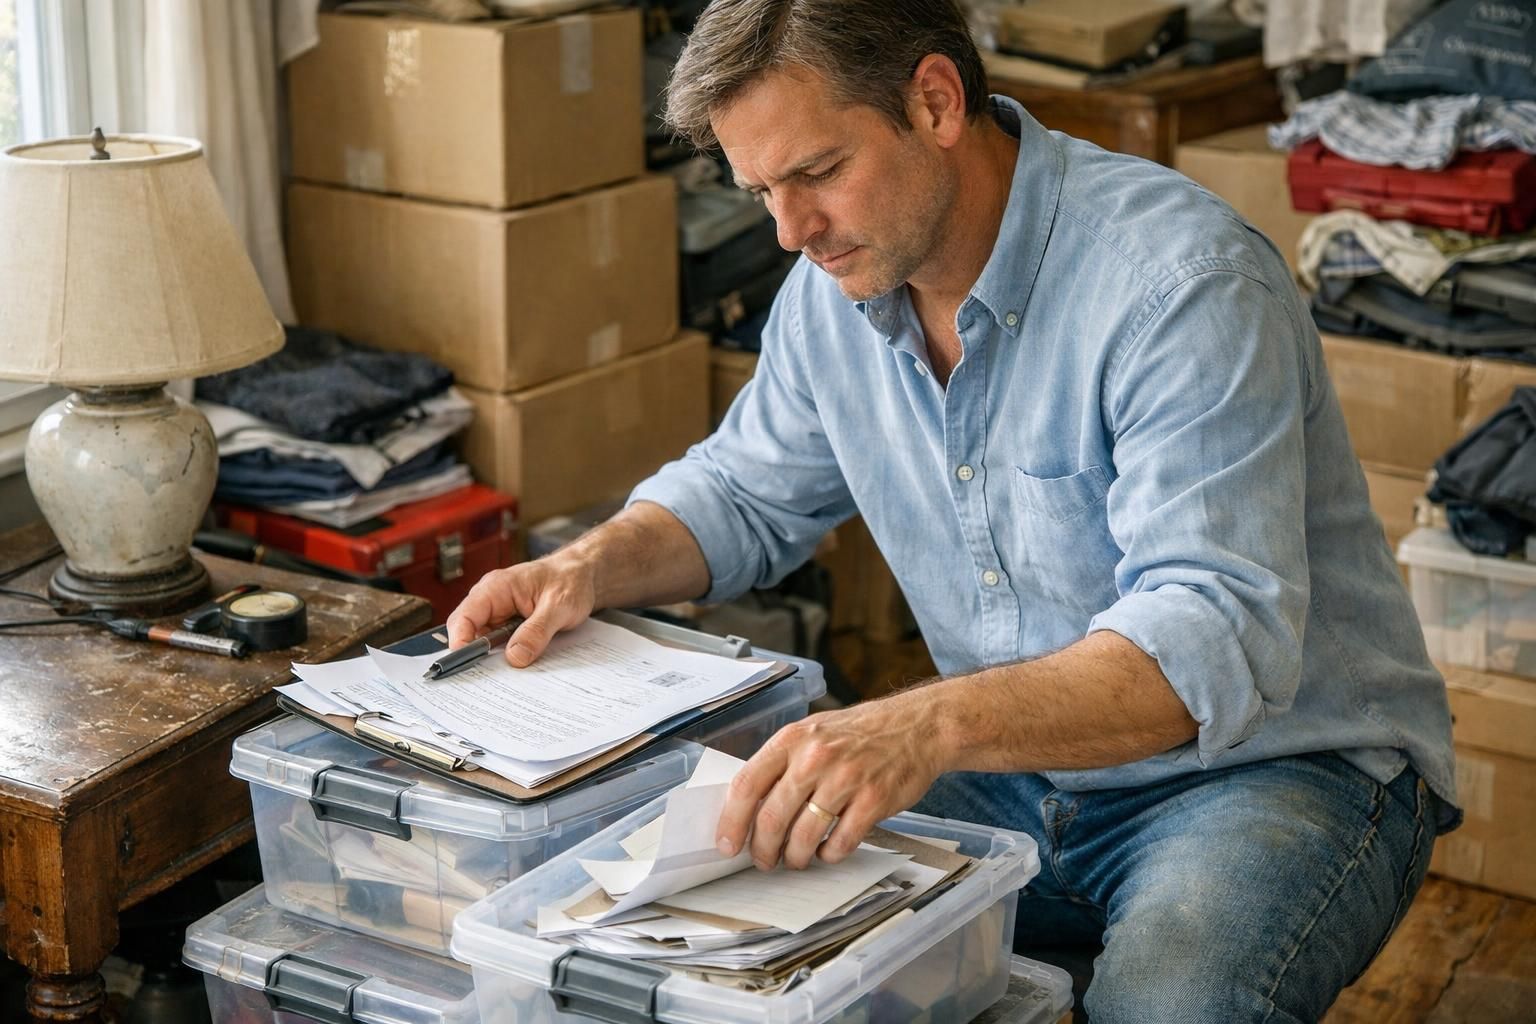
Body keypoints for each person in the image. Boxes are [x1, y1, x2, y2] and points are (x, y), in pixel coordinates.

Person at [447, 1, 1460, 1019]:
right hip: (1014, 767)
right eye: (759, 191)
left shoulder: (1181, 287)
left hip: (1273, 770)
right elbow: (742, 491)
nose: (791, 232)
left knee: (1166, 1005)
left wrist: (925, 723)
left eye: (816, 173)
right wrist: (588, 566)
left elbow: (1212, 638)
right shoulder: (830, 291)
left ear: (934, 101)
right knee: (695, 937)